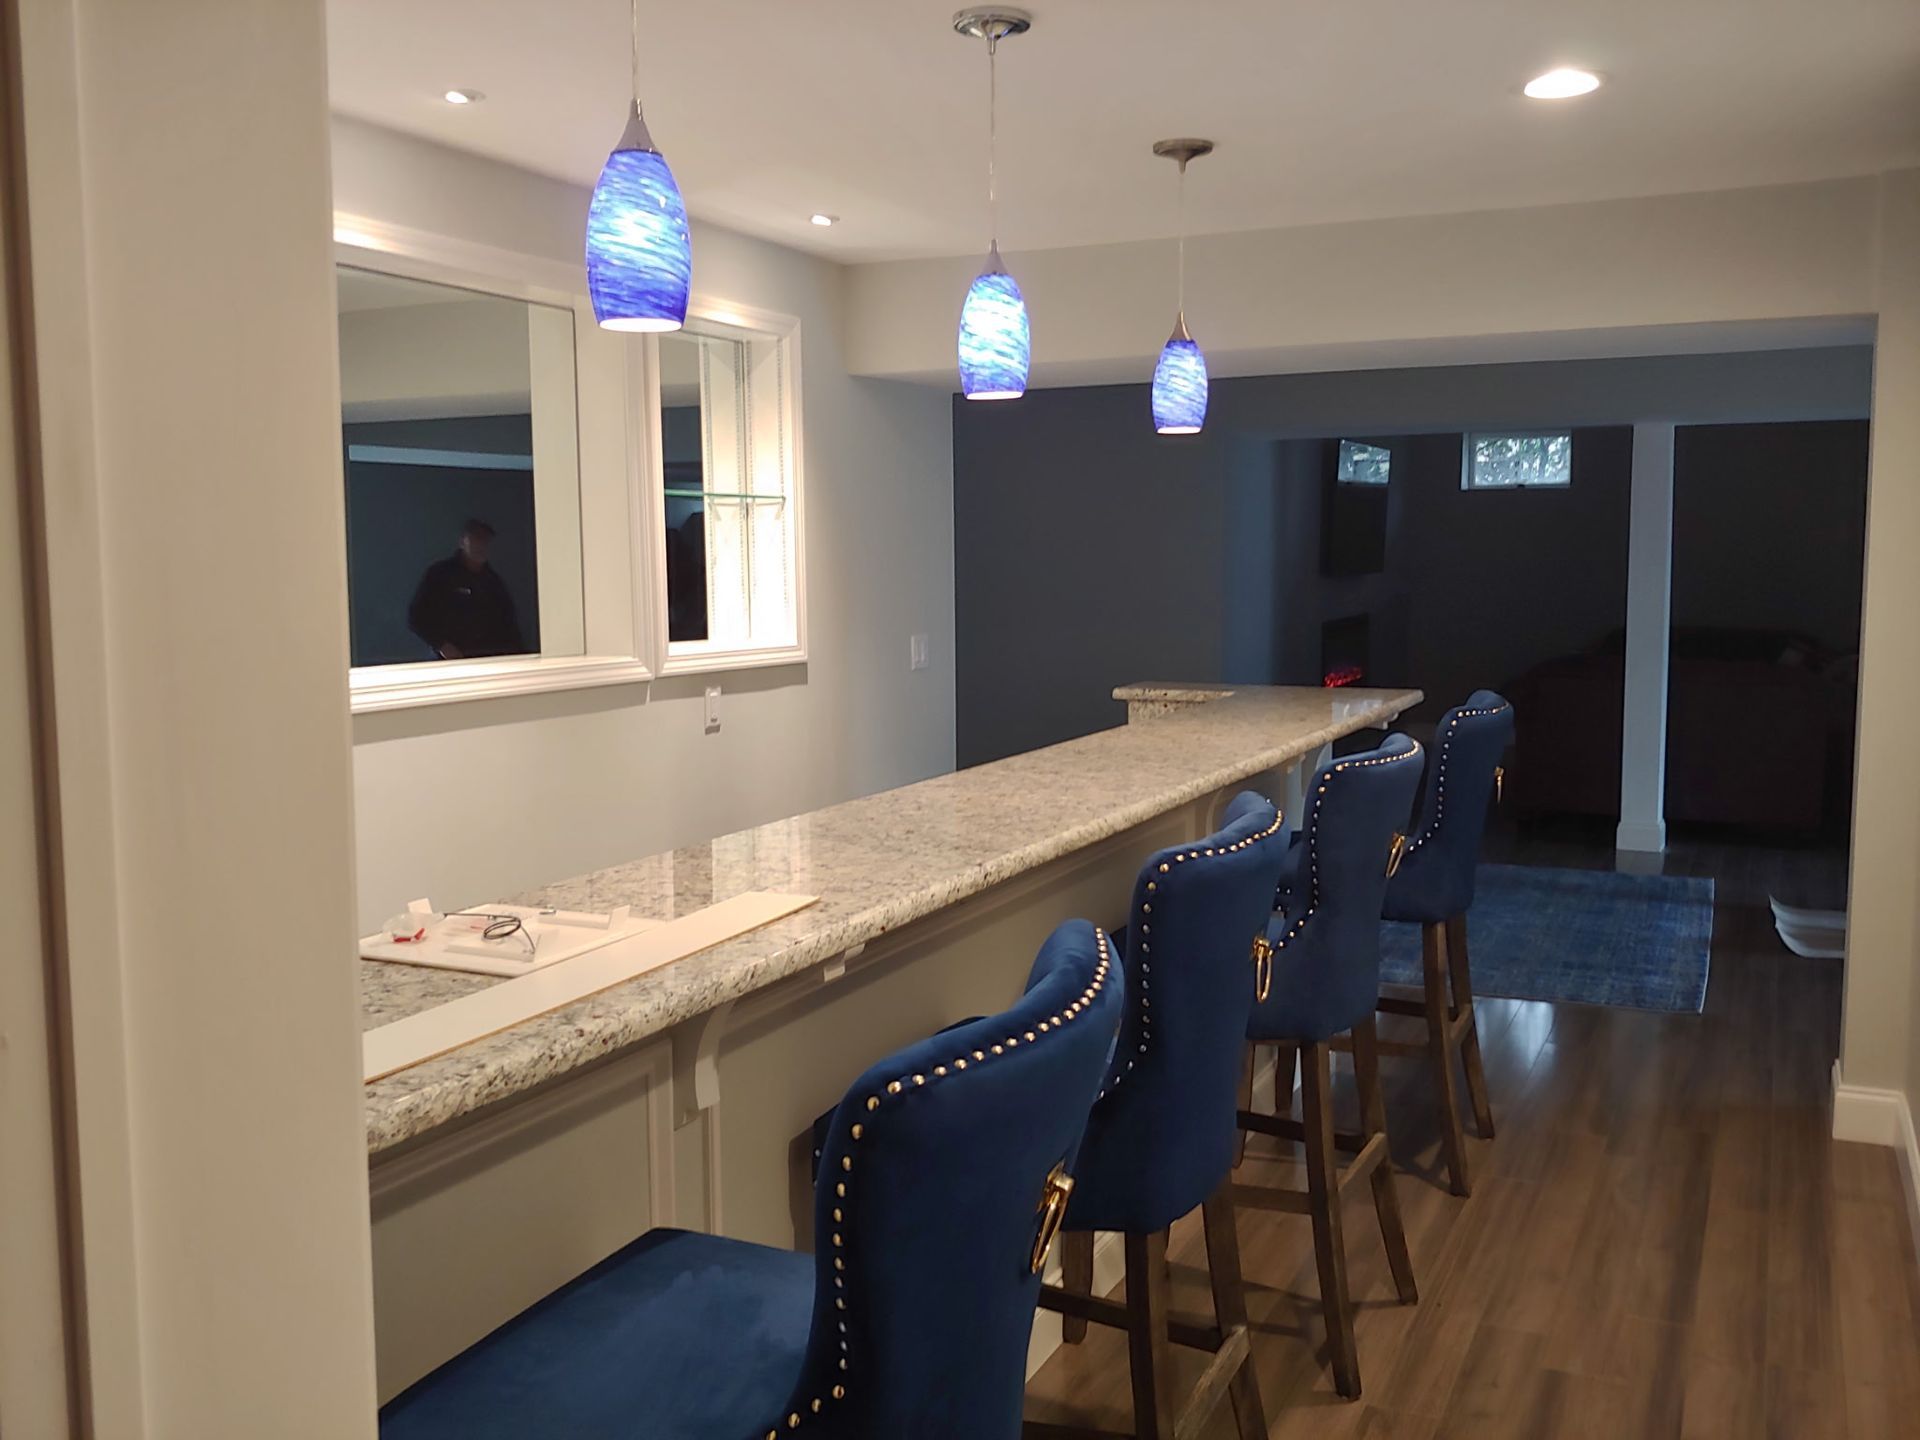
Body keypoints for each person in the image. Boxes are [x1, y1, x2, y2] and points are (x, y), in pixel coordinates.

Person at [407, 518, 527, 659]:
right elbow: (416, 617)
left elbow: (509, 626)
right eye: (475, 538)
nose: (481, 544)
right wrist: (441, 645)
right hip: (448, 664)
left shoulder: (494, 583)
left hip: (486, 664)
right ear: (462, 542)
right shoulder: (440, 574)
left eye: (485, 540)